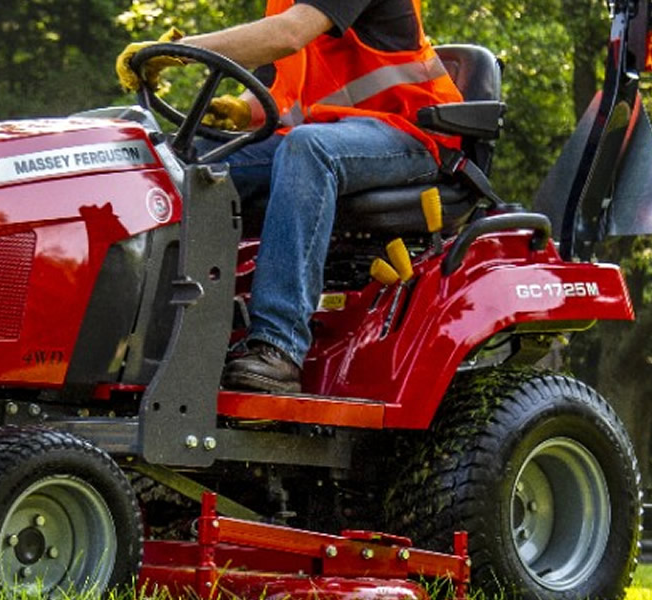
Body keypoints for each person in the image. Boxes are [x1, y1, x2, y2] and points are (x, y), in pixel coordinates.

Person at [115, 0, 463, 393]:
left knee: (307, 149)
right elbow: (280, 93)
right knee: (186, 159)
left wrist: (182, 51)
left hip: (411, 134)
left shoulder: (300, 14)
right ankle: (142, 334)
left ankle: (278, 346)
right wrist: (241, 113)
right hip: (333, 134)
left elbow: (288, 34)